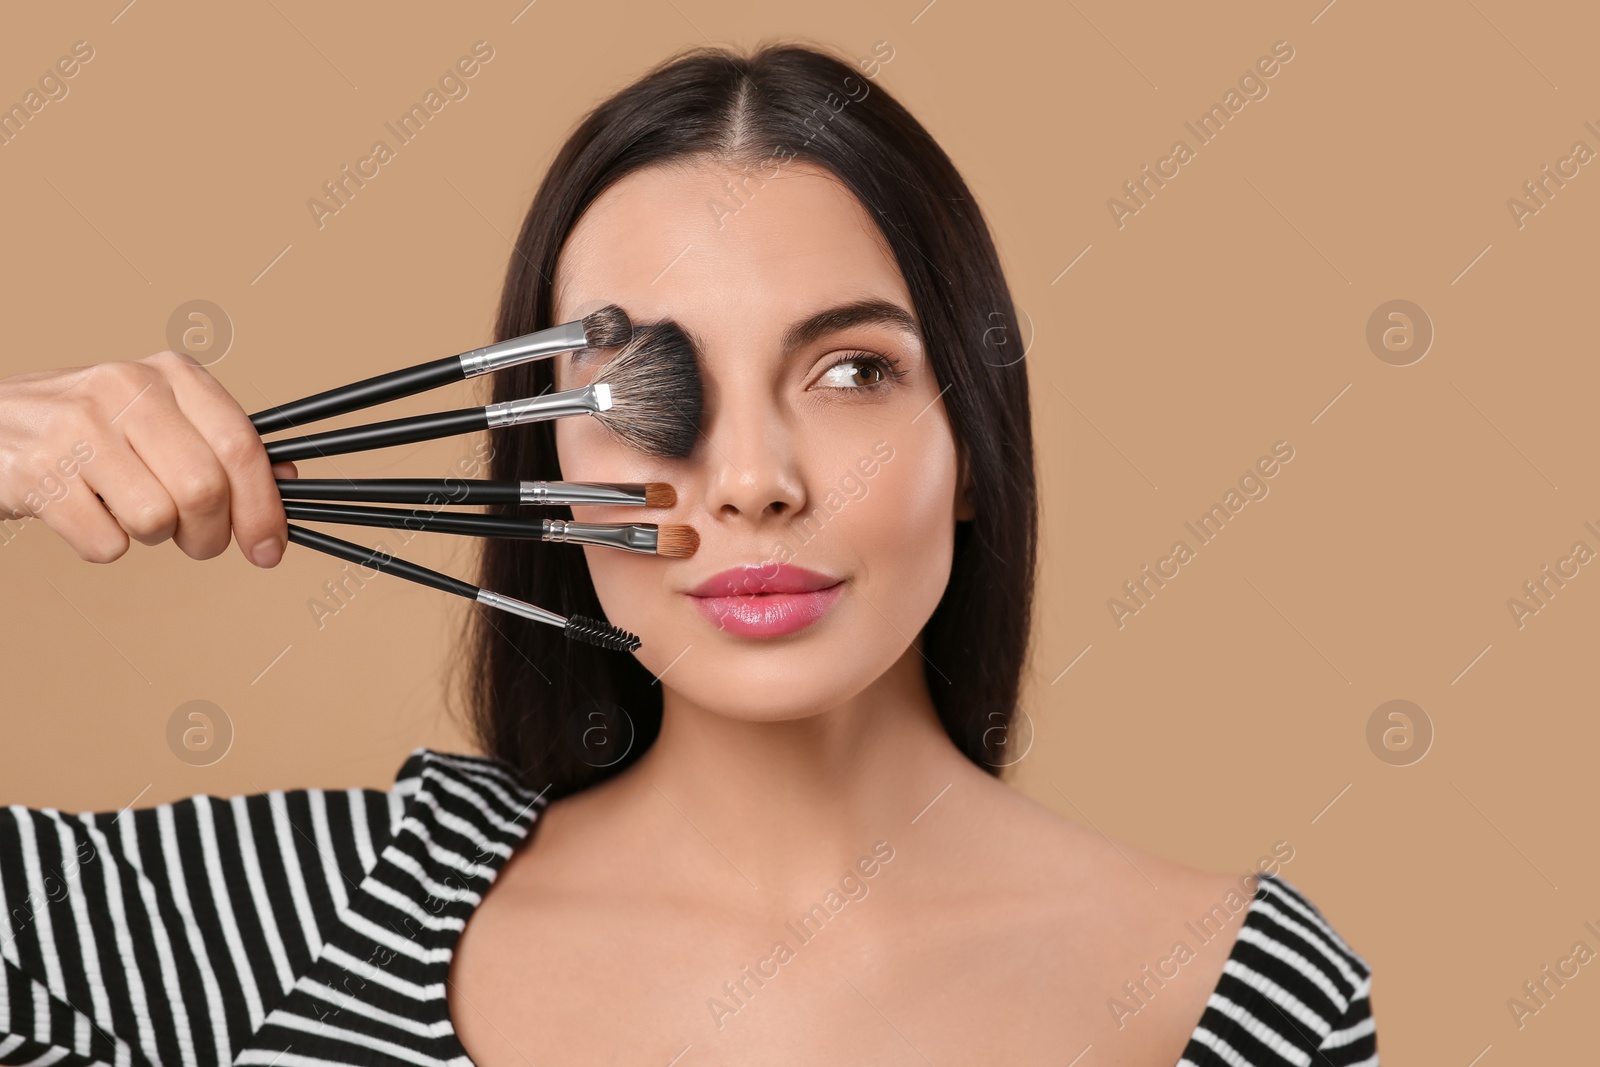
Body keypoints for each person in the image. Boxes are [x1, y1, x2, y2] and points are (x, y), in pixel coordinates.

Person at [0, 42, 1376, 1067]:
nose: (754, 482)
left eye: (849, 374)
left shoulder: (1235, 995)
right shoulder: (302, 915)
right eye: (636, 387)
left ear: (973, 452)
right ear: (546, 467)